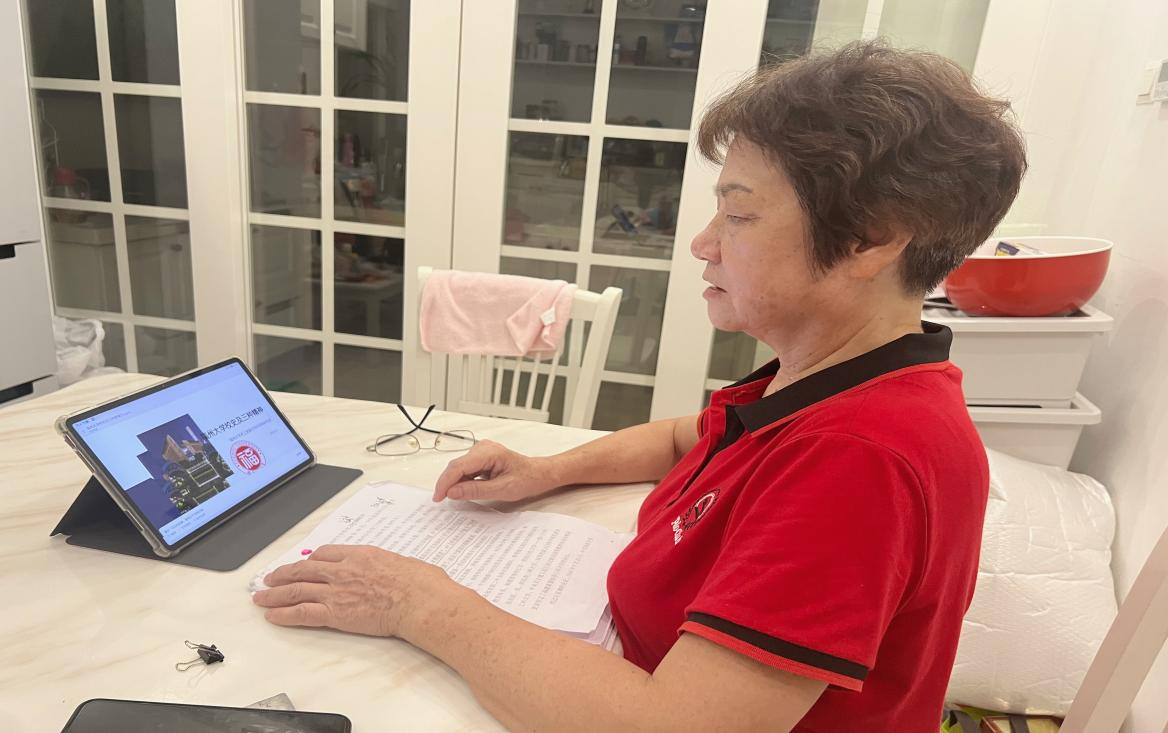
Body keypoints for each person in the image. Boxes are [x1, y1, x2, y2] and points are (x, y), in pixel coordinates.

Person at [253, 40, 1027, 731]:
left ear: (869, 239)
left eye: (739, 215)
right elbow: (688, 437)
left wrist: (418, 602)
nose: (703, 242)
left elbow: (675, 724)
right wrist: (545, 470)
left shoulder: (859, 455)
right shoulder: (832, 379)